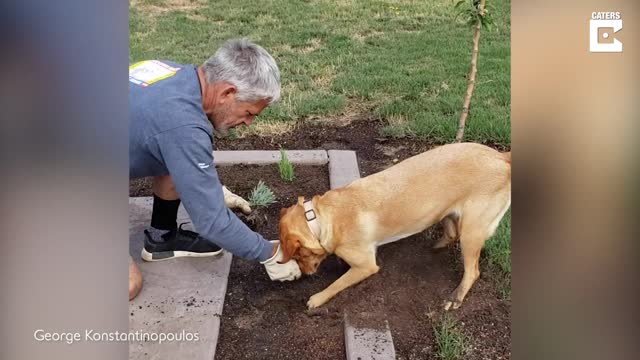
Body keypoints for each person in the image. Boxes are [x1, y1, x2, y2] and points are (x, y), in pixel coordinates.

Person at [128, 38, 301, 300]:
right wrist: (269, 252)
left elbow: (164, 135)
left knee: (169, 155)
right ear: (227, 94)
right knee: (129, 284)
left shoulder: (173, 72)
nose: (249, 122)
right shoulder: (184, 127)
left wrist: (210, 189)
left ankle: (162, 237)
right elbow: (213, 223)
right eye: (249, 112)